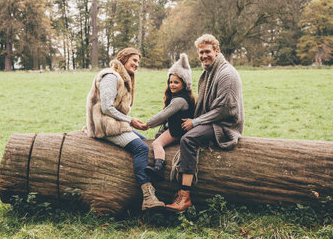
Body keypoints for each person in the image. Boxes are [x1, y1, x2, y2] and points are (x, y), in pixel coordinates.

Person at [166, 34, 245, 211]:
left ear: (217, 51)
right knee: (176, 131)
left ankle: (185, 195)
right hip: (211, 120)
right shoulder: (208, 72)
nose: (203, 56)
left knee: (188, 139)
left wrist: (196, 122)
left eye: (207, 51)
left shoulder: (226, 74)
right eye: (201, 52)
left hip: (224, 125)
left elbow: (225, 110)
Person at [84, 47, 165, 211]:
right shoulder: (111, 76)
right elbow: (106, 108)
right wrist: (131, 120)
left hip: (113, 123)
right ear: (124, 58)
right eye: (134, 60)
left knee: (144, 141)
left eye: (138, 62)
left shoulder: (122, 78)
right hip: (104, 125)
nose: (136, 64)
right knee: (141, 148)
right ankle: (148, 196)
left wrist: (131, 122)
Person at [143, 53, 196, 182]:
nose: (172, 85)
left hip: (177, 130)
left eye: (176, 82)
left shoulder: (179, 101)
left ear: (184, 83)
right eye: (170, 82)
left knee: (157, 143)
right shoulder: (178, 97)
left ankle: (159, 168)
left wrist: (148, 124)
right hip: (174, 128)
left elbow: (163, 115)